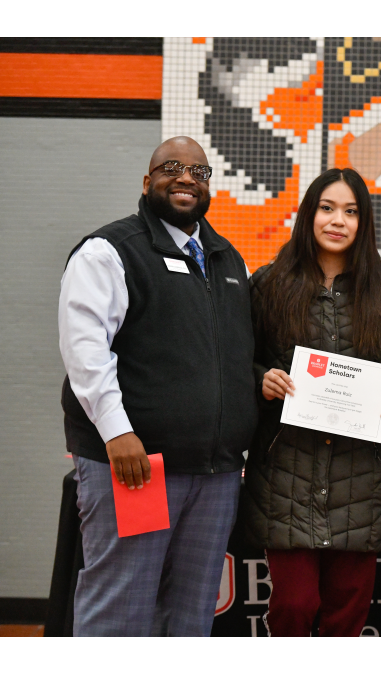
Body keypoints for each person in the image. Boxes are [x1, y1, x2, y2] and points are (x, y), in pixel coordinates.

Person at [59, 136, 257, 636]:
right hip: (138, 467)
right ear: (148, 183)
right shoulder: (109, 252)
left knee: (191, 613)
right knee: (121, 604)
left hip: (214, 475)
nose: (186, 177)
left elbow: (232, 360)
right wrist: (116, 432)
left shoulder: (229, 261)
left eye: (198, 171)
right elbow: (86, 351)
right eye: (171, 168)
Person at [241, 167, 381, 637]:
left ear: (364, 222)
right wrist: (262, 379)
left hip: (361, 479)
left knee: (347, 612)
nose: (338, 220)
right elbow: (241, 363)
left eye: (351, 211)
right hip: (286, 475)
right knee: (294, 606)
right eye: (327, 208)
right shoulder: (269, 285)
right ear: (309, 215)